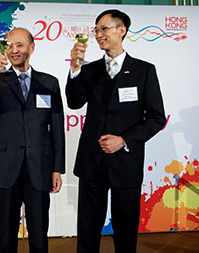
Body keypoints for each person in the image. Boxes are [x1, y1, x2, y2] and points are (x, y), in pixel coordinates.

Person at [65, 9, 166, 252]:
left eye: (104, 28)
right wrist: (75, 68)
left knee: (125, 229)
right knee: (88, 229)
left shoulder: (144, 71)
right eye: (96, 30)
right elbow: (74, 102)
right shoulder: (89, 71)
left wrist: (123, 140)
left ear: (122, 30)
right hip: (92, 162)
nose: (99, 34)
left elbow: (156, 118)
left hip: (126, 163)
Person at [0, 27, 65, 252]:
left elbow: (58, 128)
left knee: (39, 234)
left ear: (31, 48)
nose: (14, 50)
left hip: (40, 168)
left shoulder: (49, 82)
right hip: (4, 167)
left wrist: (57, 169)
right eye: (9, 45)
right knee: (6, 235)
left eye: (20, 45)